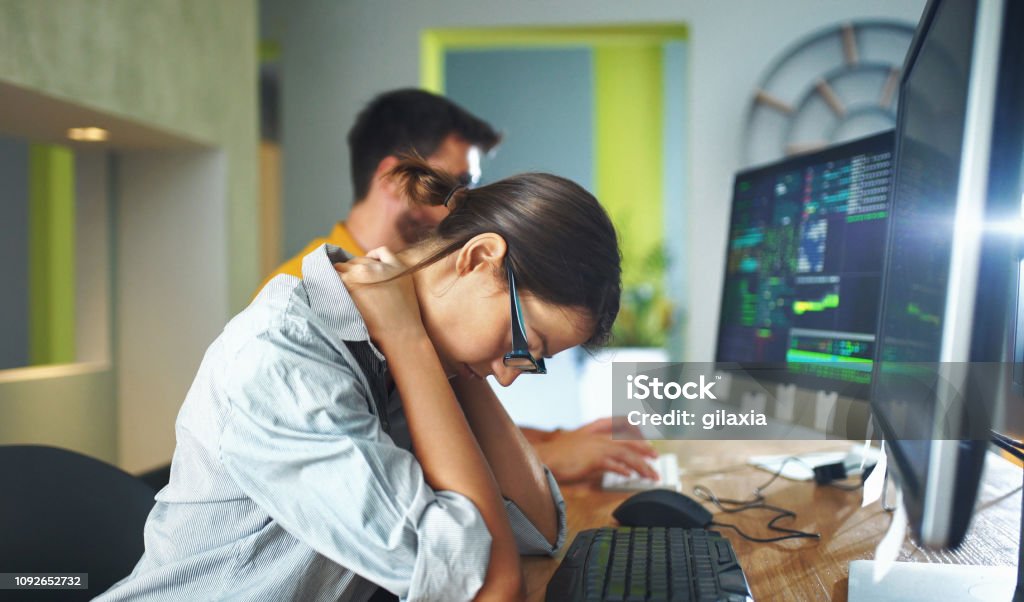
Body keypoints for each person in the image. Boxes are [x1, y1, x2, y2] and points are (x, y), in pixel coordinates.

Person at [98, 158, 623, 601]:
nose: (509, 379)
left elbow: (539, 530)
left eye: (533, 359)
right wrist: (413, 342)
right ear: (480, 258)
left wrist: (438, 353)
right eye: (521, 345)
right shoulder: (284, 358)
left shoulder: (410, 347)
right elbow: (485, 585)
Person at [264, 88, 657, 484]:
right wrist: (549, 458)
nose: (462, 204)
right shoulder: (318, 299)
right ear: (394, 179)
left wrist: (553, 440)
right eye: (456, 183)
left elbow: (425, 429)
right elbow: (383, 463)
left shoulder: (421, 302)